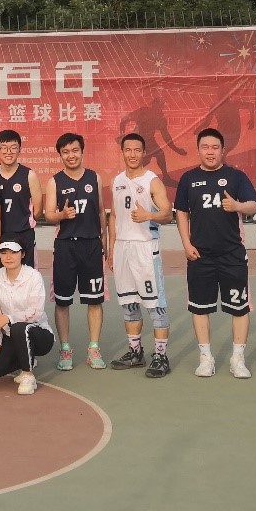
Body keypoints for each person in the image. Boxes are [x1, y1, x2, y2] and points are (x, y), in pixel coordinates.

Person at [174, 127, 256, 378]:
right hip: (200, 256)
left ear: (223, 150)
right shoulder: (188, 178)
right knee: (200, 308)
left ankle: (237, 358)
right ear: (198, 150)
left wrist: (237, 206)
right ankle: (206, 358)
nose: (210, 152)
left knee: (239, 307)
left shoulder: (236, 177)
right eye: (205, 147)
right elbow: (181, 212)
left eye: (215, 147)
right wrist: (186, 244)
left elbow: (253, 206)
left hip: (232, 254)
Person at [107, 132, 175, 378]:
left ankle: (161, 356)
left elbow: (167, 213)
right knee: (129, 303)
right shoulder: (116, 181)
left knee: (155, 304)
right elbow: (114, 216)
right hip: (123, 249)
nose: (132, 154)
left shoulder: (152, 181)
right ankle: (136, 352)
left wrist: (149, 215)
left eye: (137, 150)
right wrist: (111, 249)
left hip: (145, 249)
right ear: (122, 152)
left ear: (144, 153)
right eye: (128, 150)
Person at [44, 132, 108, 371]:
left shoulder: (94, 177)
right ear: (60, 155)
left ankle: (94, 348)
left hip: (91, 245)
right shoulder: (55, 181)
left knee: (95, 300)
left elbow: (100, 210)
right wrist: (62, 215)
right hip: (65, 247)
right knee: (62, 301)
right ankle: (65, 349)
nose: (71, 156)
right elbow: (49, 215)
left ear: (82, 151)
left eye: (75, 151)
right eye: (66, 152)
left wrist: (105, 239)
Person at [0, 240, 54, 395]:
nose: (8, 257)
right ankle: (27, 358)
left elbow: (36, 312)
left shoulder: (33, 276)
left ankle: (28, 375)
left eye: (13, 252)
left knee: (18, 327)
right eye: (4, 253)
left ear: (22, 254)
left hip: (39, 334)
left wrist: (9, 318)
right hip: (12, 336)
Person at [0, 129, 42, 267]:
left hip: (24, 235)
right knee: (0, 276)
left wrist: (24, 222)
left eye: (13, 147)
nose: (9, 152)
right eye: (4, 148)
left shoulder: (29, 175)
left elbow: (37, 211)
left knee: (27, 275)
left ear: (19, 149)